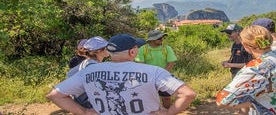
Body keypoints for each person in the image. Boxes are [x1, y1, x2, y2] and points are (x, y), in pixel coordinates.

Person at [46, 33, 196, 115]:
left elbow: (54, 95)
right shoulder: (153, 71)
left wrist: (84, 112)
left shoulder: (88, 71)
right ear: (132, 52)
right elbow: (188, 94)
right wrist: (169, 112)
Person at [135, 29, 178, 109]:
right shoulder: (143, 49)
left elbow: (171, 62)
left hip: (164, 78)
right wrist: (151, 76)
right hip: (148, 78)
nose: (161, 39)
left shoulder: (167, 48)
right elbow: (140, 64)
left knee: (167, 98)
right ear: (151, 40)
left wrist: (161, 75)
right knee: (149, 99)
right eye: (159, 38)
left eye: (162, 37)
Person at [65, 36, 110, 109]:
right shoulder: (91, 65)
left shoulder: (90, 62)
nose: (109, 49)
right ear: (98, 51)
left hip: (83, 98)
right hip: (86, 101)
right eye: (106, 48)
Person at [220, 24, 253, 115]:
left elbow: (249, 64)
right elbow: (235, 58)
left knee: (242, 97)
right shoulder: (234, 45)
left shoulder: (245, 45)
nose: (228, 35)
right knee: (240, 97)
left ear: (238, 32)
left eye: (229, 32)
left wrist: (230, 64)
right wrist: (228, 62)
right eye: (227, 33)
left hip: (243, 75)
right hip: (235, 74)